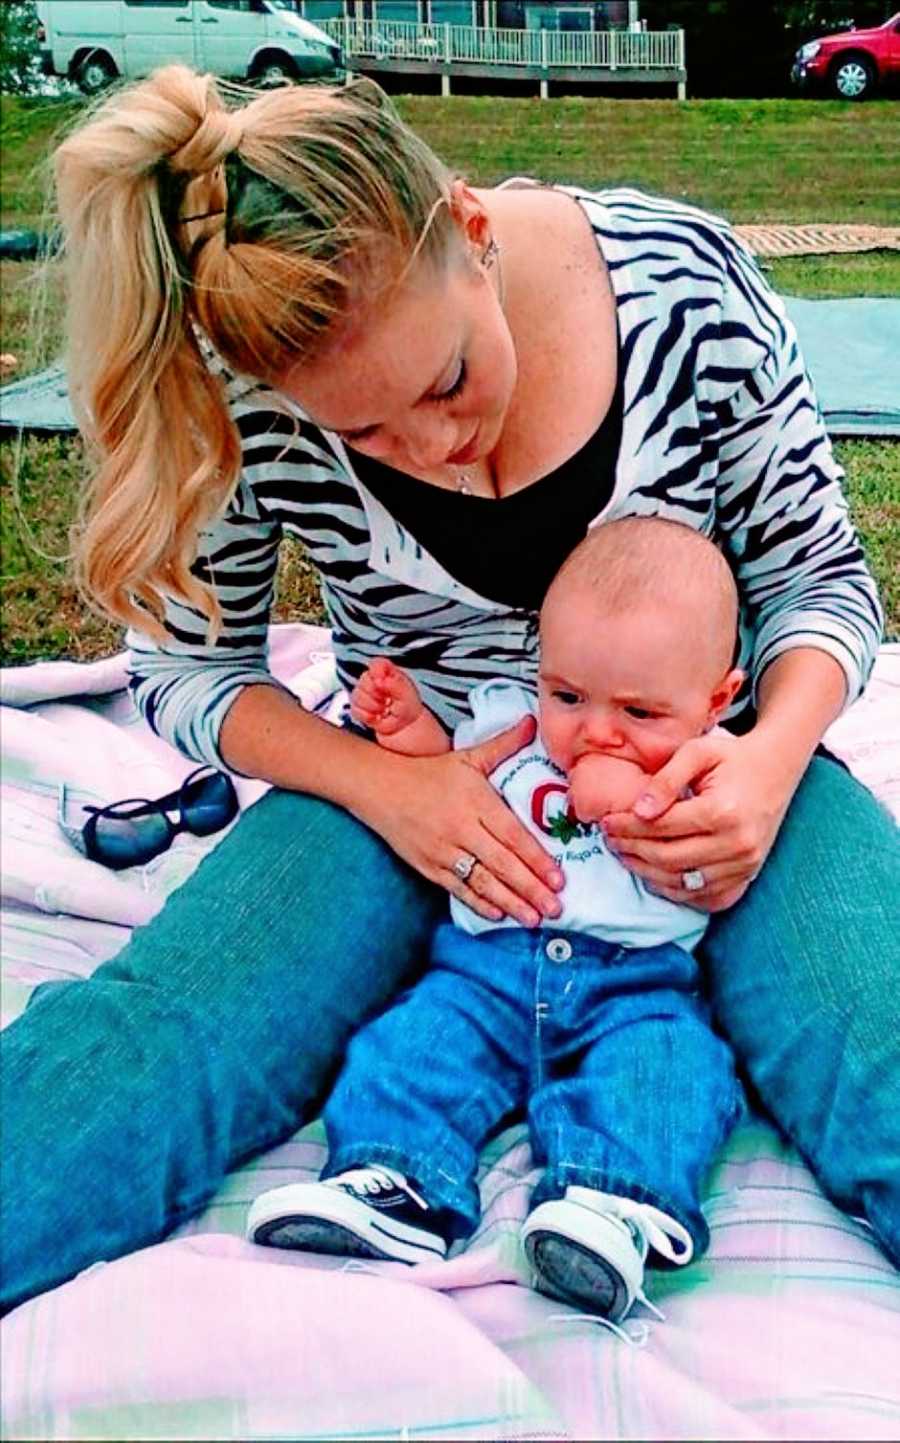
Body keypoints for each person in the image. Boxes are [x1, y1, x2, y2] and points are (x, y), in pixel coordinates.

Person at [1, 66, 897, 1317]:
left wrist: (766, 764)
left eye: (445, 382)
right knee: (165, 1046)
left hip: (708, 786)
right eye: (364, 437)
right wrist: (390, 785)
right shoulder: (248, 383)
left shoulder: (687, 291)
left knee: (878, 1041)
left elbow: (821, 586)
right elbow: (188, 673)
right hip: (405, 794)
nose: (434, 450)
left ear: (472, 233)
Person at [245, 517, 746, 1325]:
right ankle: (393, 1181)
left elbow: (712, 883)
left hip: (635, 987)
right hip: (485, 971)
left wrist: (637, 805)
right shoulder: (513, 725)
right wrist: (406, 727)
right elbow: (446, 773)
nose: (596, 730)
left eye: (640, 711)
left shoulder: (709, 774)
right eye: (569, 695)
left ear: (714, 700)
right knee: (409, 1048)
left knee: (670, 1073)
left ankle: (613, 1207)